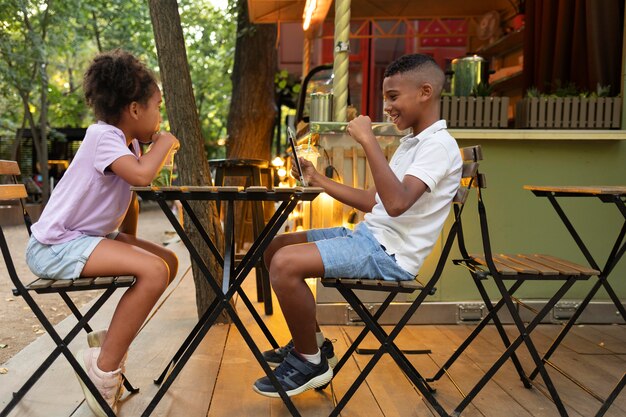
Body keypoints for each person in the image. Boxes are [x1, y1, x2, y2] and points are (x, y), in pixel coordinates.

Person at [254, 54, 462, 397]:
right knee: (276, 248)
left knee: (284, 264)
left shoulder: (439, 146)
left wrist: (369, 141)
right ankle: (315, 342)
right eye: (386, 98)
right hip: (369, 238)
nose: (387, 107)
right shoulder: (413, 143)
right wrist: (317, 178)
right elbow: (373, 201)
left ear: (426, 92)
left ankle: (310, 361)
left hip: (389, 255)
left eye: (393, 97)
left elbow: (395, 205)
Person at [25, 49, 180, 416]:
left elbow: (132, 200)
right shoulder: (103, 136)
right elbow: (142, 177)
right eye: (157, 106)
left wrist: (128, 242)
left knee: (167, 261)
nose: (160, 116)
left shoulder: (128, 143)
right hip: (54, 246)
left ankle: (106, 343)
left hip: (84, 238)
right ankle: (103, 371)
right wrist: (165, 142)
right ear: (134, 109)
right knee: (154, 271)